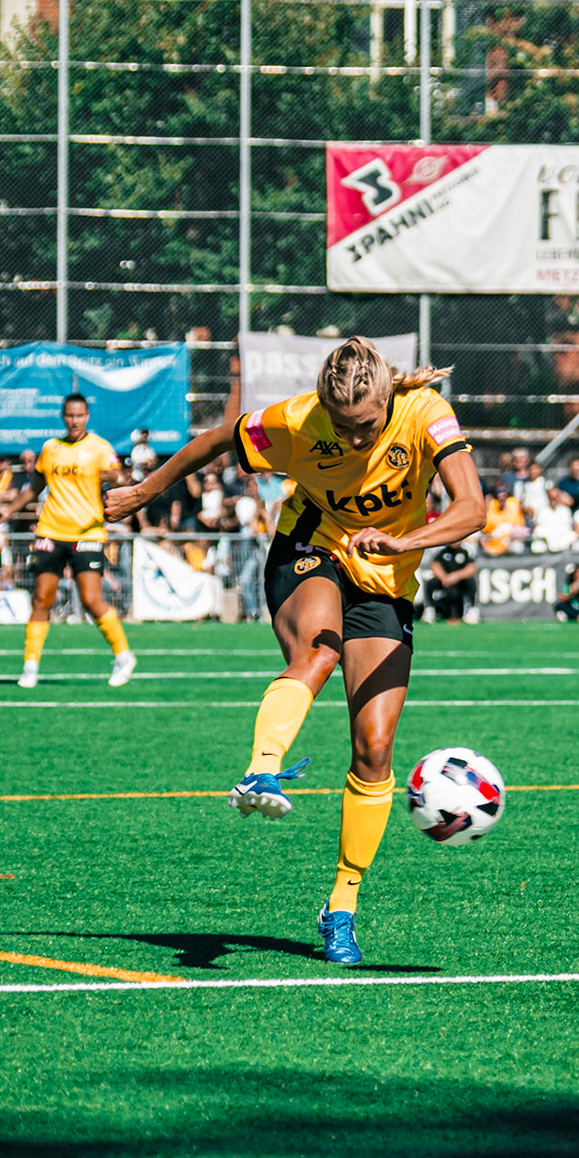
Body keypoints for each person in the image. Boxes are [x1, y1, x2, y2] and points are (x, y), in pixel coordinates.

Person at [101, 337, 481, 966]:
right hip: (311, 549)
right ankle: (261, 767)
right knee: (320, 648)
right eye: (343, 428)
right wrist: (146, 491)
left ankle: (341, 908)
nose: (355, 441)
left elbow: (472, 509)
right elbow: (218, 440)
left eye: (365, 428)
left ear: (387, 400)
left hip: (385, 577)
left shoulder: (426, 412)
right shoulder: (299, 420)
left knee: (376, 745)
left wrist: (401, 541)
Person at [0, 393, 137, 689]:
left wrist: (116, 476)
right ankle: (30, 666)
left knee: (91, 599)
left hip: (87, 533)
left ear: (88, 416)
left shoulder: (100, 448)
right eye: (70, 415)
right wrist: (7, 511)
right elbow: (34, 487)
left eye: (80, 415)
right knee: (41, 599)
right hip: (50, 532)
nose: (74, 421)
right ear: (64, 416)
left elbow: (121, 478)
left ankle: (123, 655)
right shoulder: (51, 448)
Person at [428, 539, 477, 623]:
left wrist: (456, 576)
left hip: (460, 580)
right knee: (431, 583)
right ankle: (429, 609)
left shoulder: (465, 552)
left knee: (471, 582)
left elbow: (472, 568)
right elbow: (434, 565)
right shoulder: (442, 552)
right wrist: (444, 577)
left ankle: (470, 609)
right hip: (444, 580)